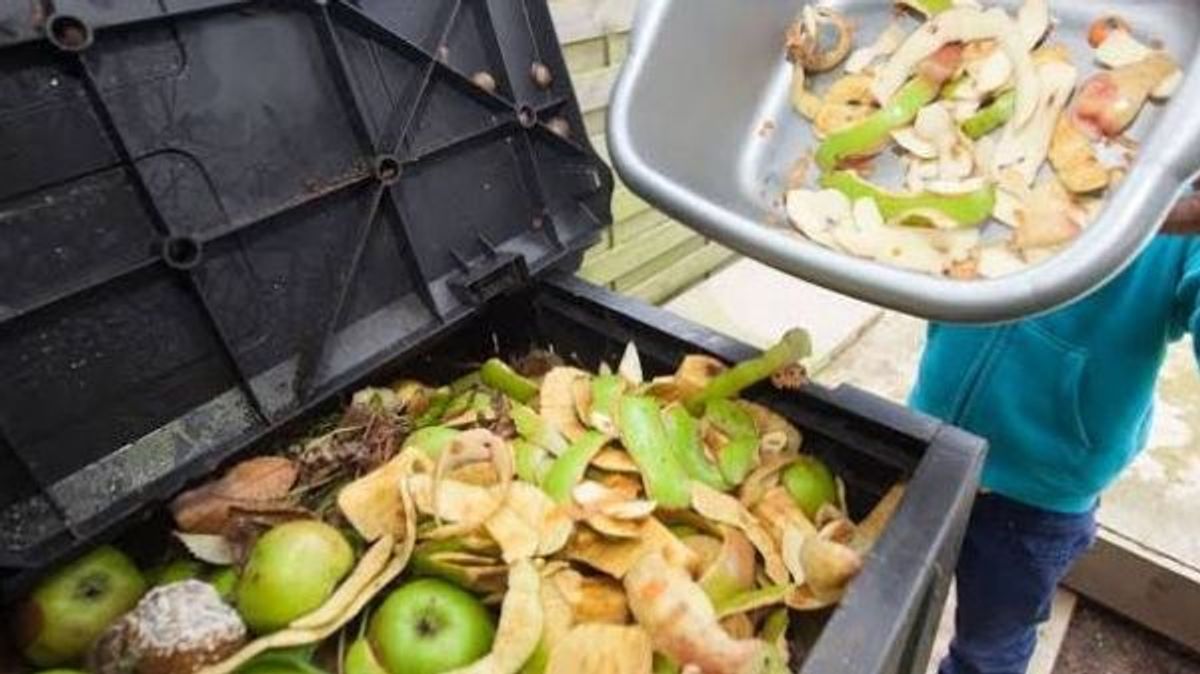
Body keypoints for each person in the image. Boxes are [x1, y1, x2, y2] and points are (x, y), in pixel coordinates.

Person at [910, 185, 1200, 674]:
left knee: (991, 645)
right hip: (927, 438)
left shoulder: (1181, 193)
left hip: (1036, 501)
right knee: (896, 596)